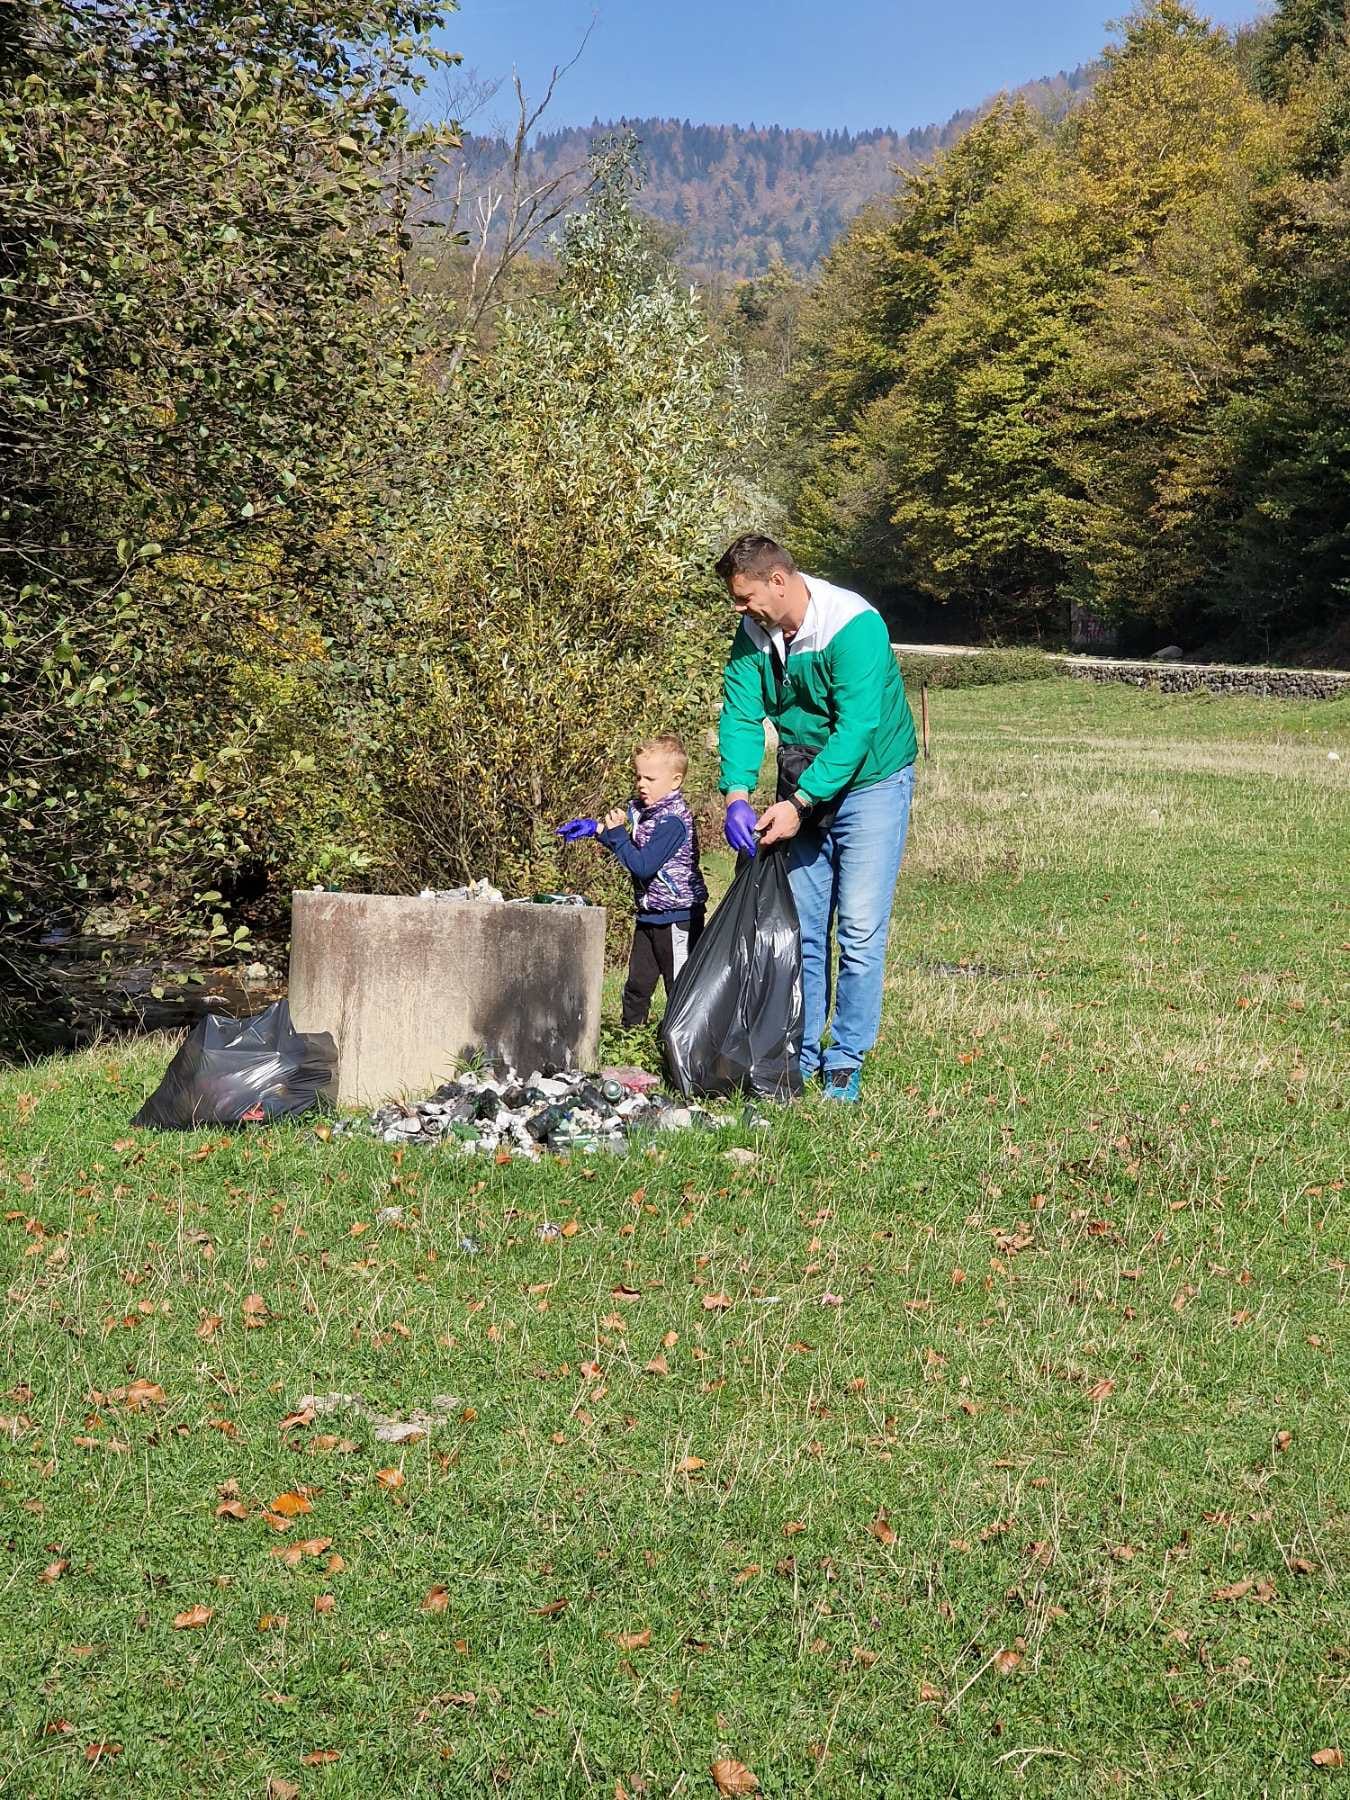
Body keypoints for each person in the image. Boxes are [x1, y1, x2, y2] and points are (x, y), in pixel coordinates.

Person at [715, 533, 917, 1102]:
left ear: (778, 581)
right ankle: (797, 1053)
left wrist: (800, 805)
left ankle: (845, 1058)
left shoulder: (853, 626)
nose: (740, 609)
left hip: (871, 783)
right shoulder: (755, 632)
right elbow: (740, 714)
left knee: (858, 931)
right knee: (802, 929)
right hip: (801, 779)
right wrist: (736, 794)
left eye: (745, 597)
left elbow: (856, 730)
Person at [557, 733, 708, 1028]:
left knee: (680, 987)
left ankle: (684, 1043)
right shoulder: (646, 813)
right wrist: (597, 829)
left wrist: (616, 834)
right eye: (638, 776)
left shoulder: (672, 821)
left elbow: (642, 866)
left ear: (675, 781)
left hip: (677, 918)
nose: (641, 784)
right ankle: (630, 1035)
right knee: (637, 985)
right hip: (649, 916)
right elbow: (630, 849)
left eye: (650, 778)